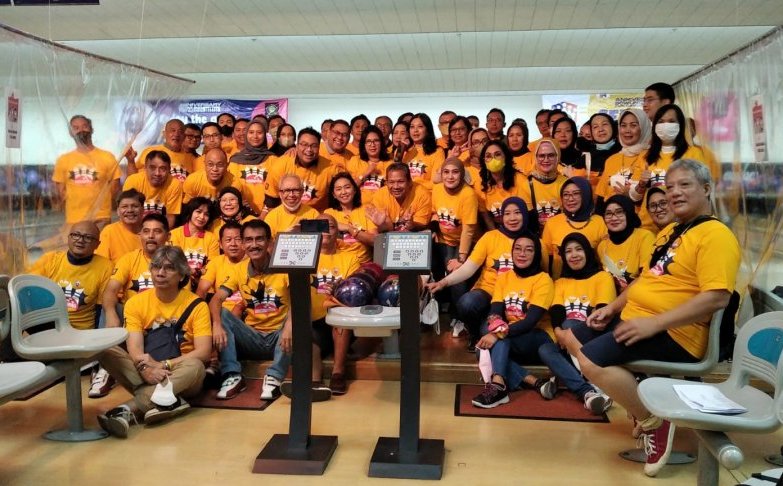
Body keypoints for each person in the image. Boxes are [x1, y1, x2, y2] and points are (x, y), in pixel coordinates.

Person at [569, 159, 740, 477]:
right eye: (670, 186)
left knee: (590, 360)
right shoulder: (671, 232)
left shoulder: (716, 236)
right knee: (575, 334)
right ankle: (642, 406)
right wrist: (613, 308)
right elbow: (644, 280)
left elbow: (717, 297)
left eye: (684, 185)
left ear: (706, 189)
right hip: (640, 320)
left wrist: (654, 324)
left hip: (677, 334)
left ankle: (653, 421)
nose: (675, 193)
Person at [470, 233, 611, 413]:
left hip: (538, 336)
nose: (522, 254)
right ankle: (536, 382)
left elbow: (530, 322)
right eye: (517, 249)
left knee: (499, 339)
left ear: (537, 254)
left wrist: (497, 333)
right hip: (515, 337)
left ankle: (499, 386)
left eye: (529, 250)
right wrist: (496, 327)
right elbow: (495, 311)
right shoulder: (504, 277)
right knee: (483, 348)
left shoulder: (544, 280)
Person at [97, 246, 212, 437]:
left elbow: (204, 352)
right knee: (105, 349)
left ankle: (127, 409)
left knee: (196, 366)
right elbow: (135, 347)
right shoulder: (135, 303)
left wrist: (163, 365)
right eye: (156, 267)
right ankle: (169, 402)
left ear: (182, 275)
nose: (160, 273)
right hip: (146, 370)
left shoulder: (197, 305)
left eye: (169, 268)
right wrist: (146, 369)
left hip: (181, 374)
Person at [427, 197, 531, 351]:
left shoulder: (534, 242)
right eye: (507, 213)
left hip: (516, 297)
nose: (512, 218)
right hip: (488, 290)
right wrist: (443, 282)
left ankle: (489, 330)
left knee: (487, 333)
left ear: (525, 214)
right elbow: (469, 268)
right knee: (467, 303)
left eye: (517, 213)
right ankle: (474, 333)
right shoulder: (490, 237)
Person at [208, 219, 293, 401]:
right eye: (248, 240)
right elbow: (216, 299)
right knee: (221, 313)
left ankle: (275, 376)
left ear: (269, 241)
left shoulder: (284, 266)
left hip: (281, 337)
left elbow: (300, 300)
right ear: (243, 243)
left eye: (259, 239)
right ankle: (232, 376)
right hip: (252, 338)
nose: (254, 245)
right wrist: (216, 325)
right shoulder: (239, 269)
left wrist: (289, 326)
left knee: (298, 318)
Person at [29, 221, 115, 398]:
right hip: (50, 326)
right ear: (68, 238)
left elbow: (102, 309)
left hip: (80, 332)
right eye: (76, 235)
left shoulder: (105, 266)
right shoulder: (50, 259)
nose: (80, 240)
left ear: (97, 244)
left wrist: (97, 346)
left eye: (88, 237)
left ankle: (86, 363)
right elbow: (28, 291)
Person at [289, 214, 361, 398]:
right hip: (314, 322)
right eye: (320, 226)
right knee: (307, 333)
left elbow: (354, 290)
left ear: (338, 232)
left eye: (331, 226)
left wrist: (339, 289)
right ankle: (315, 383)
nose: (326, 230)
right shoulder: (301, 256)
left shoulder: (350, 257)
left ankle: (338, 373)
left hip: (341, 322)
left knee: (340, 318)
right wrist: (292, 234)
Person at [637, 104, 707, 232]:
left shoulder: (694, 153)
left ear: (680, 125)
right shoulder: (645, 156)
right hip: (649, 224)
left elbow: (701, 190)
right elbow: (635, 196)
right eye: (661, 121)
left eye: (671, 121)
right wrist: (641, 184)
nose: (666, 125)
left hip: (683, 224)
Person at [431, 158, 478, 327]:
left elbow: (468, 230)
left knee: (457, 277)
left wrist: (461, 258)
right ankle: (440, 308)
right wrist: (433, 229)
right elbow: (434, 213)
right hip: (444, 239)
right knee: (438, 271)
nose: (450, 176)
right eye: (446, 172)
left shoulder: (468, 194)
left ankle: (460, 318)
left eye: (455, 172)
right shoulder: (437, 189)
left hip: (463, 242)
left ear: (462, 174)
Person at [102, 213, 172, 329]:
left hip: (164, 321)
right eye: (146, 231)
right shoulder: (129, 259)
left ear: (168, 236)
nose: (151, 236)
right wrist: (110, 314)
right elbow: (111, 290)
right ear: (140, 234)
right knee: (110, 308)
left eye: (157, 231)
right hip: (132, 318)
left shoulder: (175, 262)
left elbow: (182, 297)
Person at [53, 115, 121, 229]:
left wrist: (103, 203)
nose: (81, 130)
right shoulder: (63, 160)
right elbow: (61, 190)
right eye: (76, 128)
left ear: (91, 129)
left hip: (101, 217)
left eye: (84, 126)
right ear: (70, 133)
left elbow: (115, 185)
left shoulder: (107, 157)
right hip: (74, 218)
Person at [551, 232, 617, 345]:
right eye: (568, 251)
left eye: (579, 249)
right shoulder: (560, 282)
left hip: (594, 334)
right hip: (566, 337)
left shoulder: (603, 277)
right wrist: (559, 333)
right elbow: (557, 311)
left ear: (587, 252)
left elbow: (601, 311)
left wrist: (569, 337)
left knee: (569, 324)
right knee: (545, 349)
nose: (574, 255)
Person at [541, 177, 607, 277]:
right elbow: (546, 260)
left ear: (586, 195)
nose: (570, 199)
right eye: (566, 194)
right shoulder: (552, 223)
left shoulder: (600, 222)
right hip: (560, 284)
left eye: (576, 193)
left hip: (592, 282)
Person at [266, 127, 337, 212]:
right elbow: (271, 201)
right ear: (296, 145)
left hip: (317, 216)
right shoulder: (280, 164)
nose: (309, 149)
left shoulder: (330, 168)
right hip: (286, 215)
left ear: (319, 148)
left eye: (314, 146)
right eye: (304, 144)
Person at [594, 109, 652, 210]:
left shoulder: (652, 156)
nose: (627, 130)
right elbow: (601, 197)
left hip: (639, 217)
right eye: (623, 125)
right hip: (611, 216)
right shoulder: (612, 160)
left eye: (633, 125)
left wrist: (630, 195)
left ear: (644, 128)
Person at [597, 195, 655, 292]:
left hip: (640, 294)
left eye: (619, 212)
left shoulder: (644, 237)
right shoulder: (602, 246)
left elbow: (646, 277)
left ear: (628, 213)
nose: (613, 218)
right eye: (608, 214)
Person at [324, 172, 382, 263]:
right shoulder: (328, 214)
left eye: (347, 187)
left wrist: (349, 228)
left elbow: (375, 241)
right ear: (334, 195)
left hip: (363, 264)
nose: (343, 192)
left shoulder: (366, 209)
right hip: (338, 263)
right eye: (338, 189)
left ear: (354, 190)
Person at [183, 148, 258, 213]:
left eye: (220, 165)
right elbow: (187, 208)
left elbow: (237, 209)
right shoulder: (193, 180)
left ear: (227, 166)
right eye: (210, 164)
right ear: (204, 164)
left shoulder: (233, 184)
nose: (215, 169)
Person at [123, 150, 183, 229]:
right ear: (145, 168)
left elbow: (170, 217)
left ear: (169, 170)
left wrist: (160, 234)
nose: (157, 173)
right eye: (152, 168)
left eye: (162, 168)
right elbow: (126, 214)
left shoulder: (174, 184)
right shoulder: (133, 181)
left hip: (160, 229)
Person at [169, 197, 220, 289]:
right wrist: (191, 271)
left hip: (203, 282)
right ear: (190, 212)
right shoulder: (174, 234)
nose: (202, 217)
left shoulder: (211, 238)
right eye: (198, 212)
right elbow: (174, 260)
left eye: (206, 214)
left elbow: (212, 265)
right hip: (179, 282)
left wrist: (198, 273)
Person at [518, 139, 568, 230]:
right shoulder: (527, 186)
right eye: (541, 156)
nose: (546, 160)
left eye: (551, 155)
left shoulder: (566, 183)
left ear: (558, 157)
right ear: (535, 157)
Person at [369, 163, 432, 232]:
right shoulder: (380, 196)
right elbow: (383, 230)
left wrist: (412, 225)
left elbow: (423, 225)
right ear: (386, 183)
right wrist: (382, 225)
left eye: (400, 181)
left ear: (409, 182)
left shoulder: (422, 195)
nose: (396, 187)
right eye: (391, 182)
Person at [228, 120, 275, 211]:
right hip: (241, 211)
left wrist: (265, 212)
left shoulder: (273, 159)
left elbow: (275, 190)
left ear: (265, 135)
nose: (255, 136)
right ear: (246, 135)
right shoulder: (235, 160)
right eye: (251, 132)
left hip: (269, 212)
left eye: (259, 132)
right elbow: (232, 189)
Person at [478, 140, 525, 229]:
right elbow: (487, 218)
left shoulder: (521, 180)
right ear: (484, 161)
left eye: (497, 154)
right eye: (488, 156)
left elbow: (527, 215)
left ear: (505, 157)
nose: (493, 159)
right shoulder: (482, 185)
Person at [344, 125, 391, 204]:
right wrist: (366, 173)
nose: (372, 144)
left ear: (381, 143)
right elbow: (348, 188)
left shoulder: (390, 164)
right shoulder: (355, 161)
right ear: (363, 144)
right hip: (360, 207)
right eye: (368, 141)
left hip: (383, 206)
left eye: (376, 140)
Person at [95, 189, 145, 263]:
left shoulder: (150, 231)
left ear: (143, 209)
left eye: (135, 206)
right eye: (124, 207)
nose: (130, 210)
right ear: (118, 211)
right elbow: (101, 263)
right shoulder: (109, 232)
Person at [264, 174, 320, 238]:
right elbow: (268, 243)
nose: (291, 195)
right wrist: (286, 236)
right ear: (280, 193)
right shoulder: (271, 217)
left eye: (296, 190)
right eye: (287, 190)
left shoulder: (314, 214)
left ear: (302, 192)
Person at [402, 113, 444, 188]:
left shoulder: (437, 151)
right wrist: (401, 150)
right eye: (412, 127)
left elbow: (435, 182)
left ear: (428, 130)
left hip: (426, 193)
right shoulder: (404, 150)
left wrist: (413, 185)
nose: (415, 130)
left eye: (420, 126)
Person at [586, 113, 621, 182]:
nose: (600, 129)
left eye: (604, 124)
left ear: (613, 127)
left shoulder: (624, 151)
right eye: (595, 127)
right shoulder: (586, 156)